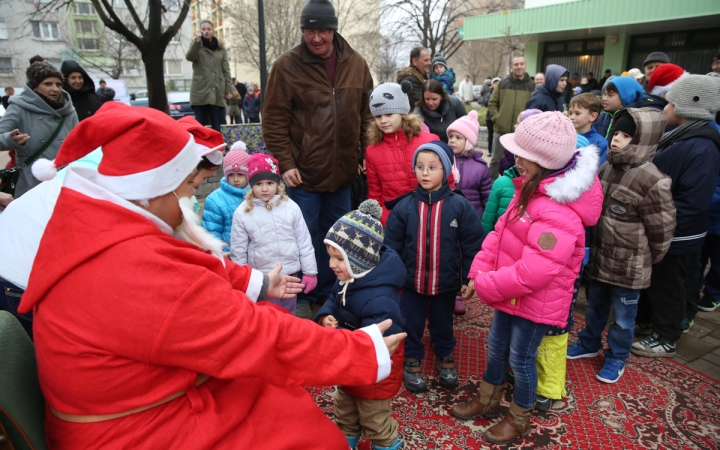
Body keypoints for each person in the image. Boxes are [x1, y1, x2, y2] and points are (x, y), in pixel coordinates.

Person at [20, 102, 406, 448]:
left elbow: (195, 270)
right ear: (150, 190)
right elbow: (252, 335)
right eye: (188, 188)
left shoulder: (98, 230)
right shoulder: (133, 269)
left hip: (139, 402)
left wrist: (254, 284)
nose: (192, 201)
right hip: (141, 428)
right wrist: (358, 351)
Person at [452, 112, 602, 445]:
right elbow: (498, 235)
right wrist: (478, 271)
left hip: (535, 303)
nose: (516, 160)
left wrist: (488, 285)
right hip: (510, 294)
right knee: (496, 348)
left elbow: (534, 272)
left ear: (545, 162)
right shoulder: (529, 191)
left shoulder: (559, 212)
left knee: (521, 359)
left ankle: (519, 416)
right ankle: (488, 399)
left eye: (524, 156)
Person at [262, 0, 374, 319]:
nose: (316, 38)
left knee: (335, 238)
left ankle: (328, 293)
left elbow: (367, 115)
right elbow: (273, 120)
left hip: (342, 175)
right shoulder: (287, 66)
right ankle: (300, 293)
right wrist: (286, 162)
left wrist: (360, 155)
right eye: (309, 31)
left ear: (334, 30)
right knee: (301, 238)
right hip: (304, 175)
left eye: (322, 30)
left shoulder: (356, 63)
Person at [568, 108, 675, 384]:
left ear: (643, 141)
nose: (616, 139)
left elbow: (662, 229)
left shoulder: (653, 180)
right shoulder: (606, 168)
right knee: (594, 306)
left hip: (629, 267)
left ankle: (616, 357)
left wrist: (649, 260)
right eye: (616, 133)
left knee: (625, 318)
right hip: (602, 258)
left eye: (626, 136)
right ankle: (590, 342)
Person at [385, 141, 484, 393]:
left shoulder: (459, 206)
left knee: (443, 322)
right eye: (419, 167)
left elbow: (473, 243)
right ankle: (412, 356)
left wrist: (469, 275)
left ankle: (444, 353)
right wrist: (391, 279)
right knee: (411, 322)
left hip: (446, 282)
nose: (425, 172)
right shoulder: (404, 207)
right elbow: (391, 246)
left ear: (447, 170)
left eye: (432, 167)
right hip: (411, 282)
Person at [633, 75, 720, 357]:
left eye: (670, 102)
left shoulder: (702, 147)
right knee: (653, 280)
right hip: (662, 226)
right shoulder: (681, 137)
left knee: (670, 284)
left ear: (688, 107)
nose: (665, 108)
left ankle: (666, 335)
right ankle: (647, 320)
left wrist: (660, 220)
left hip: (678, 231)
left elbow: (694, 200)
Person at [315, 200, 406, 450]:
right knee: (344, 410)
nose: (331, 265)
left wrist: (339, 334)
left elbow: (376, 342)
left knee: (374, 419)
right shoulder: (348, 278)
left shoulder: (380, 299)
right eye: (331, 257)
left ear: (360, 259)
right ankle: (344, 441)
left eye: (338, 258)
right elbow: (334, 298)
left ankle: (387, 444)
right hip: (351, 364)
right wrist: (325, 316)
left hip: (375, 374)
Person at [229, 154, 317, 315]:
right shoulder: (242, 212)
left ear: (277, 183)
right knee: (267, 314)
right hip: (263, 277)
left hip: (290, 274)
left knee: (289, 313)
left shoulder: (291, 207)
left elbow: (304, 240)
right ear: (251, 185)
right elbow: (238, 249)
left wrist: (310, 272)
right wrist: (244, 279)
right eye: (258, 183)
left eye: (269, 183)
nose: (264, 188)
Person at [0, 56, 78, 198]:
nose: (55, 89)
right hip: (32, 180)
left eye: (59, 84)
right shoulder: (19, 107)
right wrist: (11, 140)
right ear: (35, 86)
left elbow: (79, 142)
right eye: (48, 84)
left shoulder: (68, 109)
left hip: (65, 178)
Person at [364, 81, 438, 225]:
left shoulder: (429, 141)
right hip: (392, 221)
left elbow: (445, 183)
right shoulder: (372, 151)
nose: (383, 121)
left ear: (403, 112)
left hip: (428, 217)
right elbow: (375, 191)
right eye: (378, 116)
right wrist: (380, 219)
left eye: (389, 114)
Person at [446, 110, 491, 316]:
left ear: (469, 141)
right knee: (450, 254)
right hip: (448, 218)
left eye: (458, 137)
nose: (452, 141)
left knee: (466, 256)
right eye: (451, 137)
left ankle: (461, 290)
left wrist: (482, 222)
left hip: (471, 219)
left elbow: (486, 196)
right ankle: (449, 293)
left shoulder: (480, 167)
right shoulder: (445, 161)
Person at [487, 55, 535, 180]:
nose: (519, 67)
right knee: (495, 161)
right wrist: (498, 119)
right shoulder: (503, 83)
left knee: (519, 162)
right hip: (500, 131)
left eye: (521, 64)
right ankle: (492, 186)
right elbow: (492, 103)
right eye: (516, 64)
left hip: (520, 133)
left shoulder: (532, 86)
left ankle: (515, 187)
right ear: (511, 67)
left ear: (525, 65)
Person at [201, 142, 251, 252]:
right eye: (231, 175)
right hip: (229, 254)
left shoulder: (257, 195)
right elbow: (212, 233)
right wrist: (223, 253)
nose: (236, 179)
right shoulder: (215, 200)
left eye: (241, 175)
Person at [186, 19, 233, 132]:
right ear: (200, 31)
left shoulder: (221, 49)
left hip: (217, 92)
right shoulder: (196, 45)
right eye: (203, 29)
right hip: (200, 92)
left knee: (217, 125)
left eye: (208, 29)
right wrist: (197, 41)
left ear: (213, 31)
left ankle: (218, 149)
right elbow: (190, 57)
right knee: (200, 126)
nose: (206, 31)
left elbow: (226, 70)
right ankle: (201, 149)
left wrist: (229, 89)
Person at [413, 80, 466, 144]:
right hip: (433, 149)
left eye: (434, 99)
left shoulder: (455, 104)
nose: (430, 103)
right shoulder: (418, 114)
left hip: (457, 146)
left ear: (441, 96)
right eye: (427, 99)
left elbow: (466, 126)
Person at [569, 93, 608, 165]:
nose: (571, 117)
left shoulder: (601, 143)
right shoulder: (564, 137)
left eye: (577, 113)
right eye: (570, 113)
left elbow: (599, 169)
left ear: (593, 116)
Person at [483, 77, 501, 157]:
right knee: (491, 135)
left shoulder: (503, 94)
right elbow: (485, 102)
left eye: (498, 83)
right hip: (489, 118)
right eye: (495, 83)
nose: (496, 85)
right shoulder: (489, 93)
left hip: (500, 118)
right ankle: (490, 151)